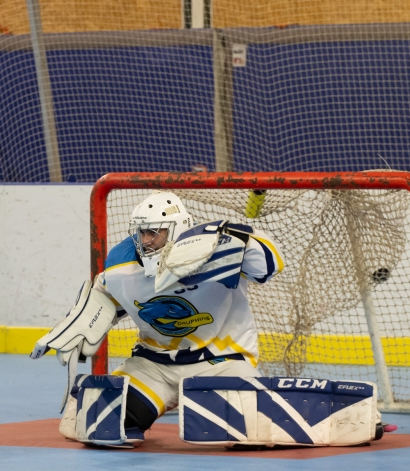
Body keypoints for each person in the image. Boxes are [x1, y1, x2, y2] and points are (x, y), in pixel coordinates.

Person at [33, 191, 284, 448]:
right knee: (99, 427)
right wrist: (83, 321)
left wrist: (238, 239)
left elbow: (270, 264)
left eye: (155, 232)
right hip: (153, 365)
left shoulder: (218, 253)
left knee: (257, 432)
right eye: (141, 232)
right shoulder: (122, 266)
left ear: (178, 230)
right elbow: (104, 299)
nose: (146, 240)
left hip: (220, 360)